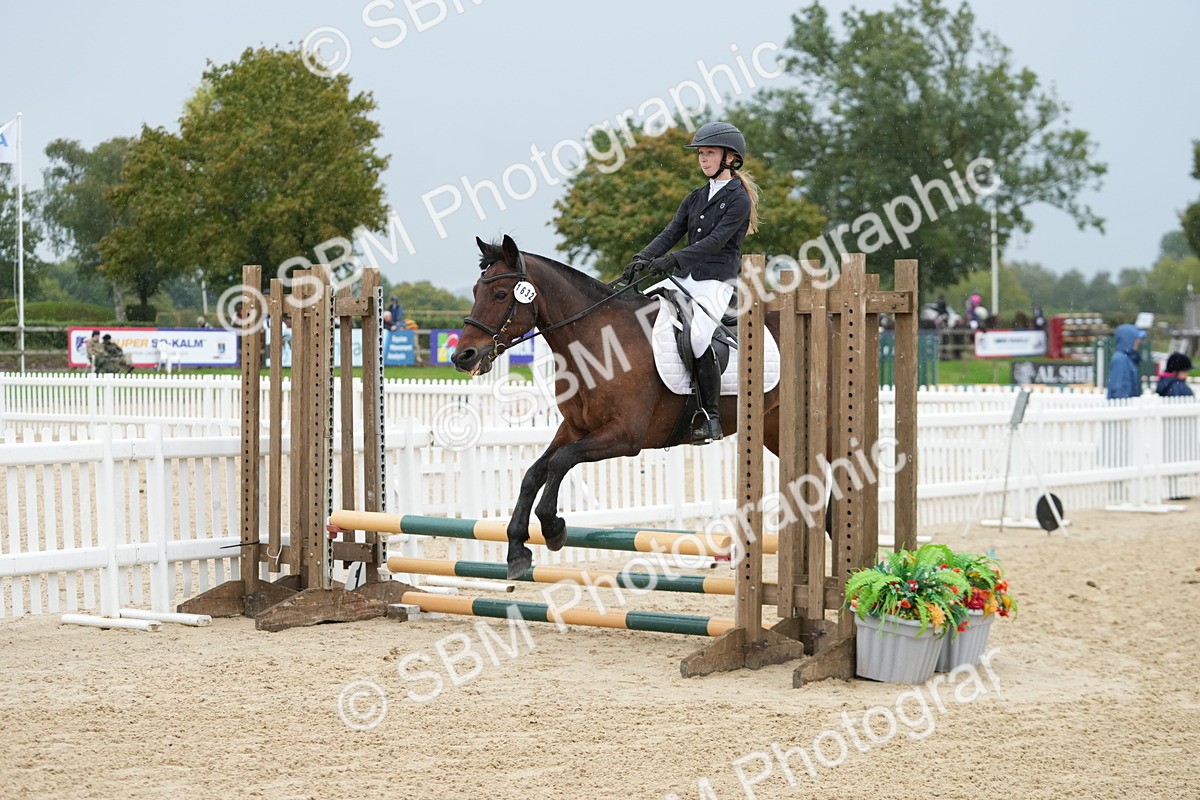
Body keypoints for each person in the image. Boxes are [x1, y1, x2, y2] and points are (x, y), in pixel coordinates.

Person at [620, 121, 760, 444]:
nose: (703, 159)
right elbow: (670, 233)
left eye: (709, 153)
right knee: (642, 310)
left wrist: (673, 260)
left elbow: (714, 242)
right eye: (700, 154)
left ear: (729, 158)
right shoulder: (695, 198)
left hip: (716, 281)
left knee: (698, 338)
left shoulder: (739, 200)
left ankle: (710, 416)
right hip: (687, 278)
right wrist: (642, 258)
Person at [1105, 323, 1146, 399]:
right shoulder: (1121, 359)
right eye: (1136, 339)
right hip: (1123, 408)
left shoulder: (1128, 359)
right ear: (1128, 339)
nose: (1139, 341)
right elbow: (1119, 390)